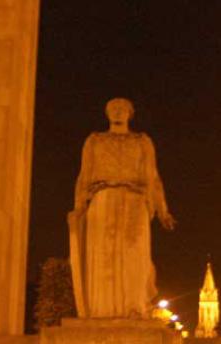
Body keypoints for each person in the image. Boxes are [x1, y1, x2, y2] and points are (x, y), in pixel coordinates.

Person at [69, 97, 175, 319]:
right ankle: (102, 310)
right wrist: (79, 206)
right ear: (107, 114)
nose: (117, 112)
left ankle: (135, 307)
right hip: (102, 199)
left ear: (130, 113)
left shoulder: (141, 141)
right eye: (113, 109)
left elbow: (153, 176)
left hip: (135, 199)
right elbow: (84, 175)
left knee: (135, 254)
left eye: (122, 109)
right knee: (103, 255)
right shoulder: (94, 141)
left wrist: (162, 209)